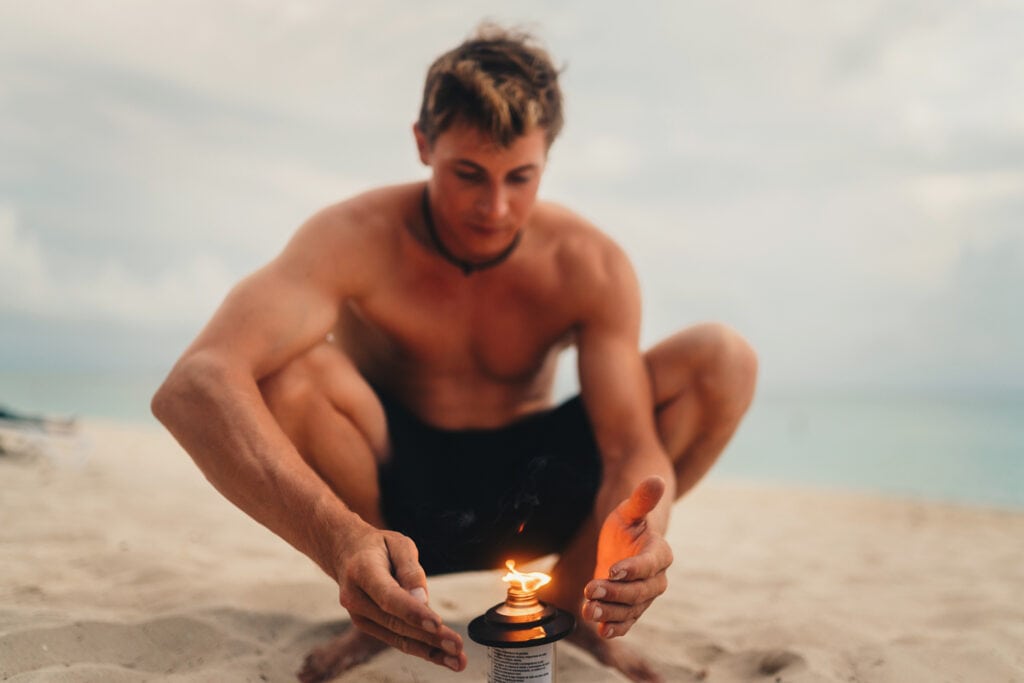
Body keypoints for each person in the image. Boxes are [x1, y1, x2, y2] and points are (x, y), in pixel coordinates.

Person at [152, 24, 757, 683]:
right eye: (468, 173)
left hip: (537, 487)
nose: (495, 207)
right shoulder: (351, 238)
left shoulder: (588, 263)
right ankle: (383, 600)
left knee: (721, 359)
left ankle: (574, 606)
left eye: (520, 177)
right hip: (393, 497)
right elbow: (195, 383)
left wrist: (645, 534)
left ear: (546, 160)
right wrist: (340, 539)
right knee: (294, 372)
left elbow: (629, 446)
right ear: (423, 145)